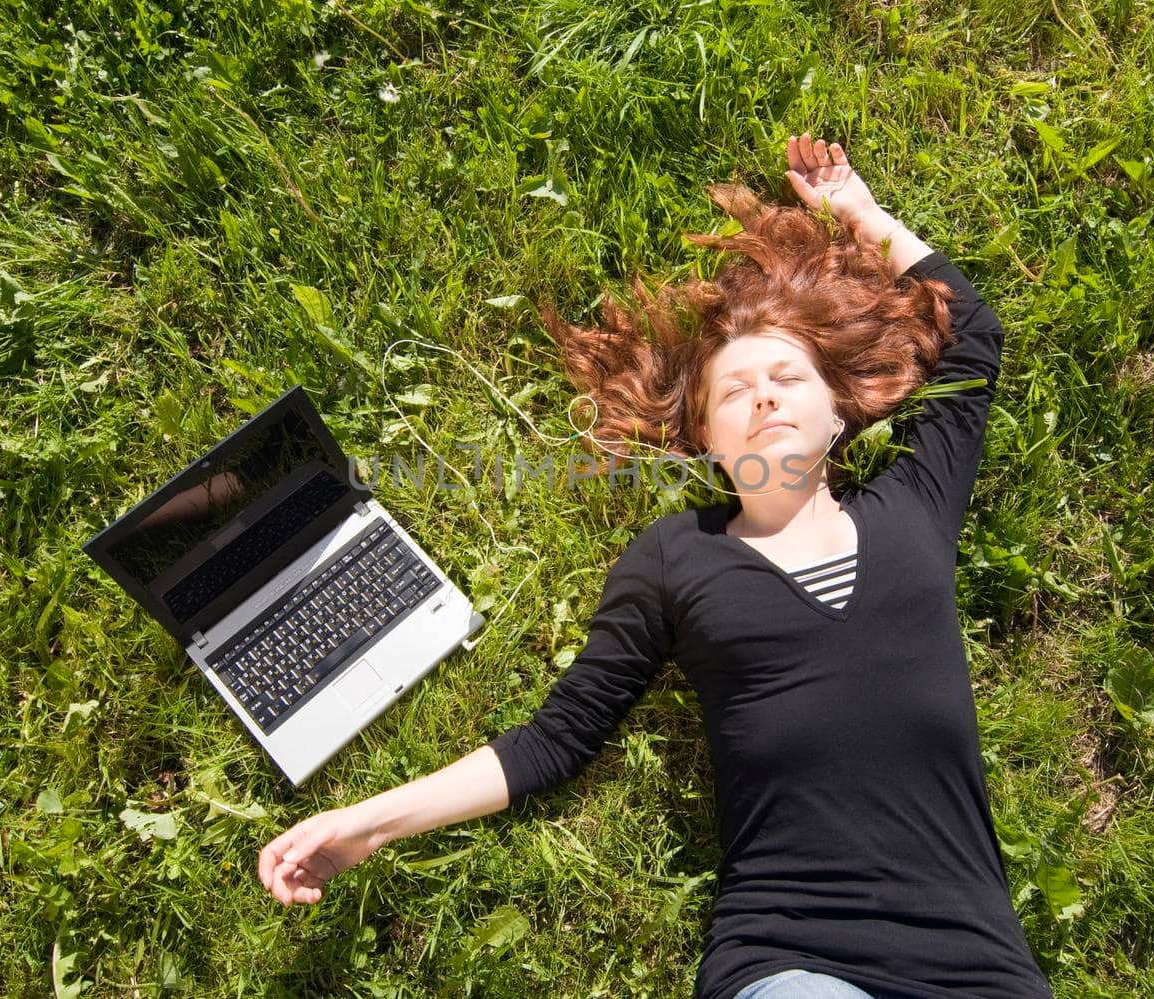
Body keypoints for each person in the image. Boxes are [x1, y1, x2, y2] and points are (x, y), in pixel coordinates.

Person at [257, 133, 1055, 999]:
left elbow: (973, 331)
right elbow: (555, 741)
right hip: (796, 953)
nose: (762, 396)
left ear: (840, 411)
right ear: (707, 441)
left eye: (787, 376)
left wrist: (861, 216)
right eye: (733, 393)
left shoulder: (913, 512)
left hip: (981, 965)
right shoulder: (679, 558)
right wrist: (367, 825)